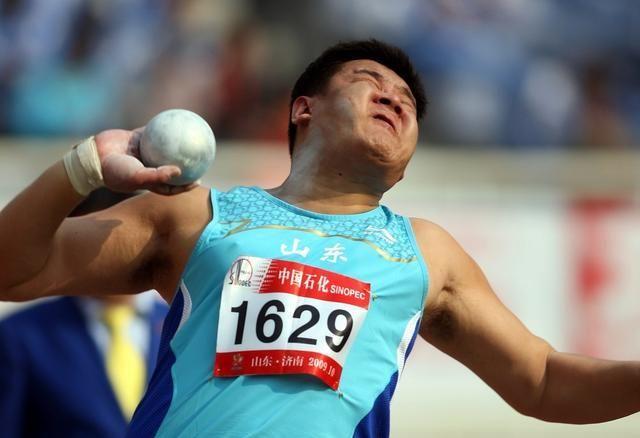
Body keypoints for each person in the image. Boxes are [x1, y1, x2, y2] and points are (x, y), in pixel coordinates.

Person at [0, 40, 638, 437]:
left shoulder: (426, 253)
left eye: (408, 100)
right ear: (303, 108)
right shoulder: (197, 216)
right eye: (370, 80)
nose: (396, 98)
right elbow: (16, 271)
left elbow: (543, 380)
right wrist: (83, 167)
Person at [0, 189, 168, 437]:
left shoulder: (188, 325)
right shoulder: (22, 336)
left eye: (121, 237)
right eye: (94, 239)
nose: (109, 251)